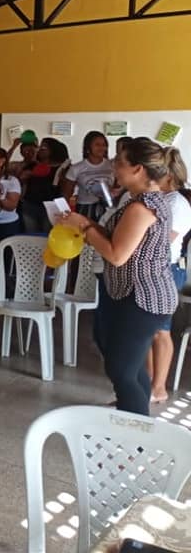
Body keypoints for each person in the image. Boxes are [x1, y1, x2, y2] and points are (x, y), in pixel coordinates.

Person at [63, 138, 178, 416]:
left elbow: (117, 254)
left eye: (119, 162)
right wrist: (87, 224)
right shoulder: (136, 201)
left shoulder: (143, 207)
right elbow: (116, 239)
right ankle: (133, 413)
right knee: (125, 362)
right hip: (125, 291)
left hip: (144, 295)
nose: (113, 166)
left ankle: (136, 436)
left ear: (138, 169)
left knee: (122, 369)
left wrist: (86, 230)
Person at [147, 150, 191, 404]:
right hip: (155, 268)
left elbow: (162, 240)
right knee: (149, 331)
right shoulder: (162, 198)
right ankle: (150, 384)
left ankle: (159, 386)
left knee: (160, 331)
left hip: (167, 268)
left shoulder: (176, 203)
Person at [62, 131, 114, 221]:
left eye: (104, 145)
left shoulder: (112, 165)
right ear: (88, 147)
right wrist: (64, 212)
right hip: (85, 208)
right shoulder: (76, 168)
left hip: (109, 207)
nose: (101, 148)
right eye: (97, 145)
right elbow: (67, 194)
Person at [20, 137, 68, 234]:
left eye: (44, 147)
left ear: (53, 149)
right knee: (30, 235)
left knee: (48, 235)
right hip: (30, 205)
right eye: (40, 147)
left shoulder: (63, 168)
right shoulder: (32, 165)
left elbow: (66, 188)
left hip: (51, 207)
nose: (40, 149)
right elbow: (21, 181)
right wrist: (24, 176)